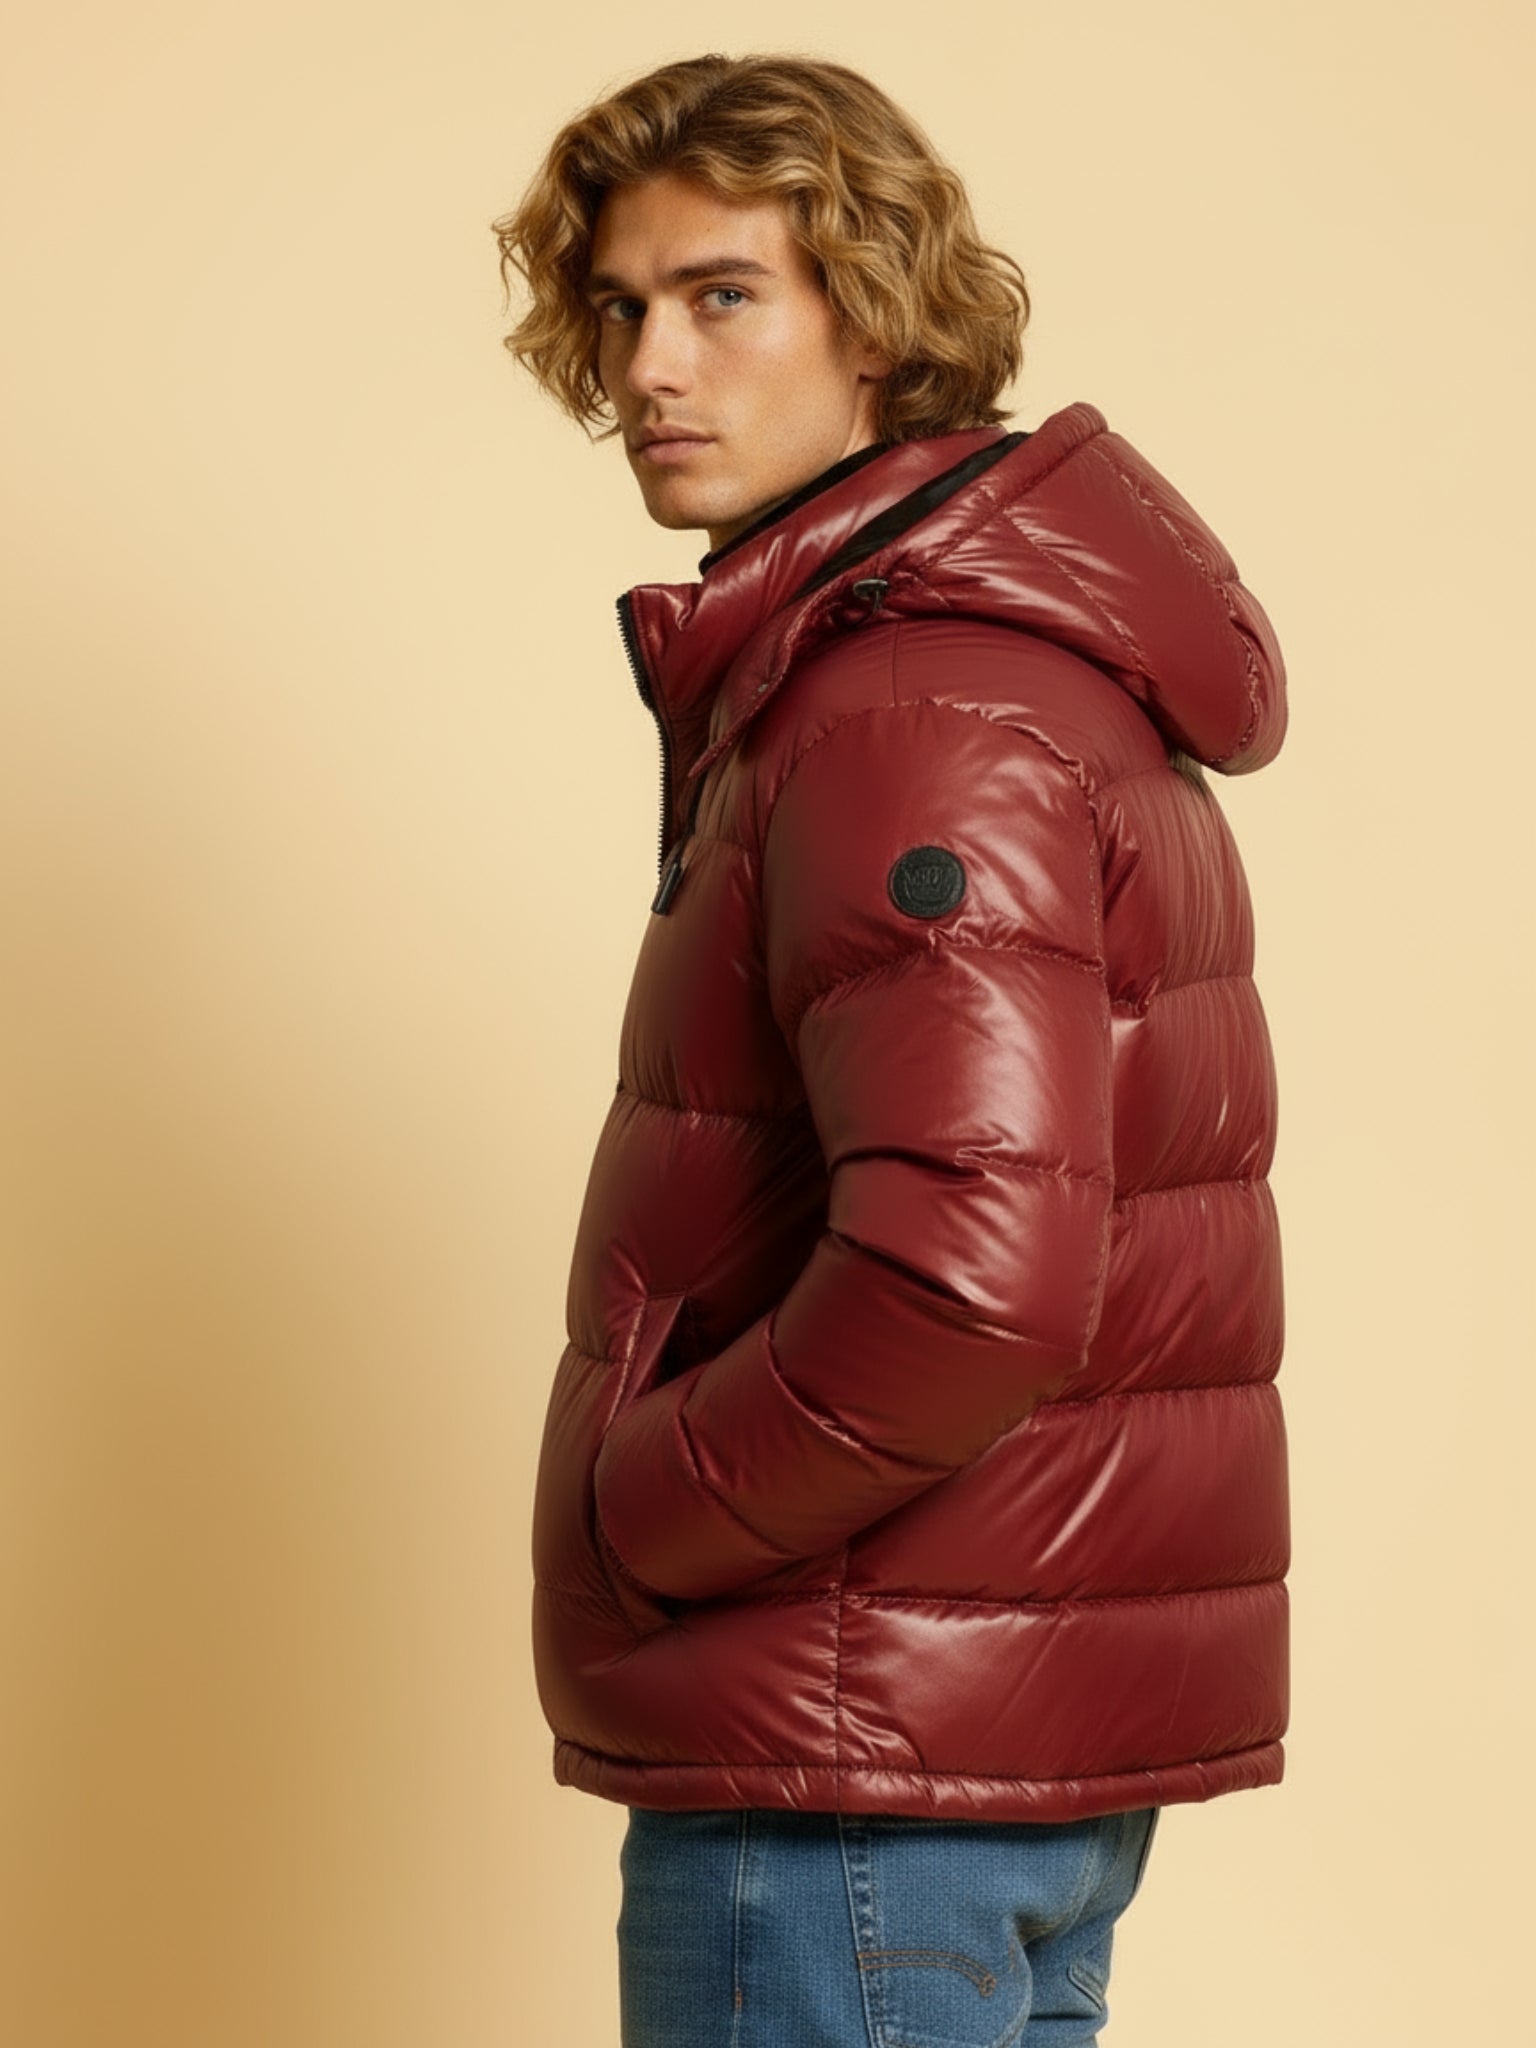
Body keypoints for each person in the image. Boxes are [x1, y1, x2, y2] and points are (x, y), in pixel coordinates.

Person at [492, 51, 1289, 2048]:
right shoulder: (983, 671)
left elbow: (970, 1278)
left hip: (843, 1773)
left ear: (875, 314)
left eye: (722, 295)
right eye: (622, 306)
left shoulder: (906, 712)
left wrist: (640, 1510)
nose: (650, 366)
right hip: (958, 1751)